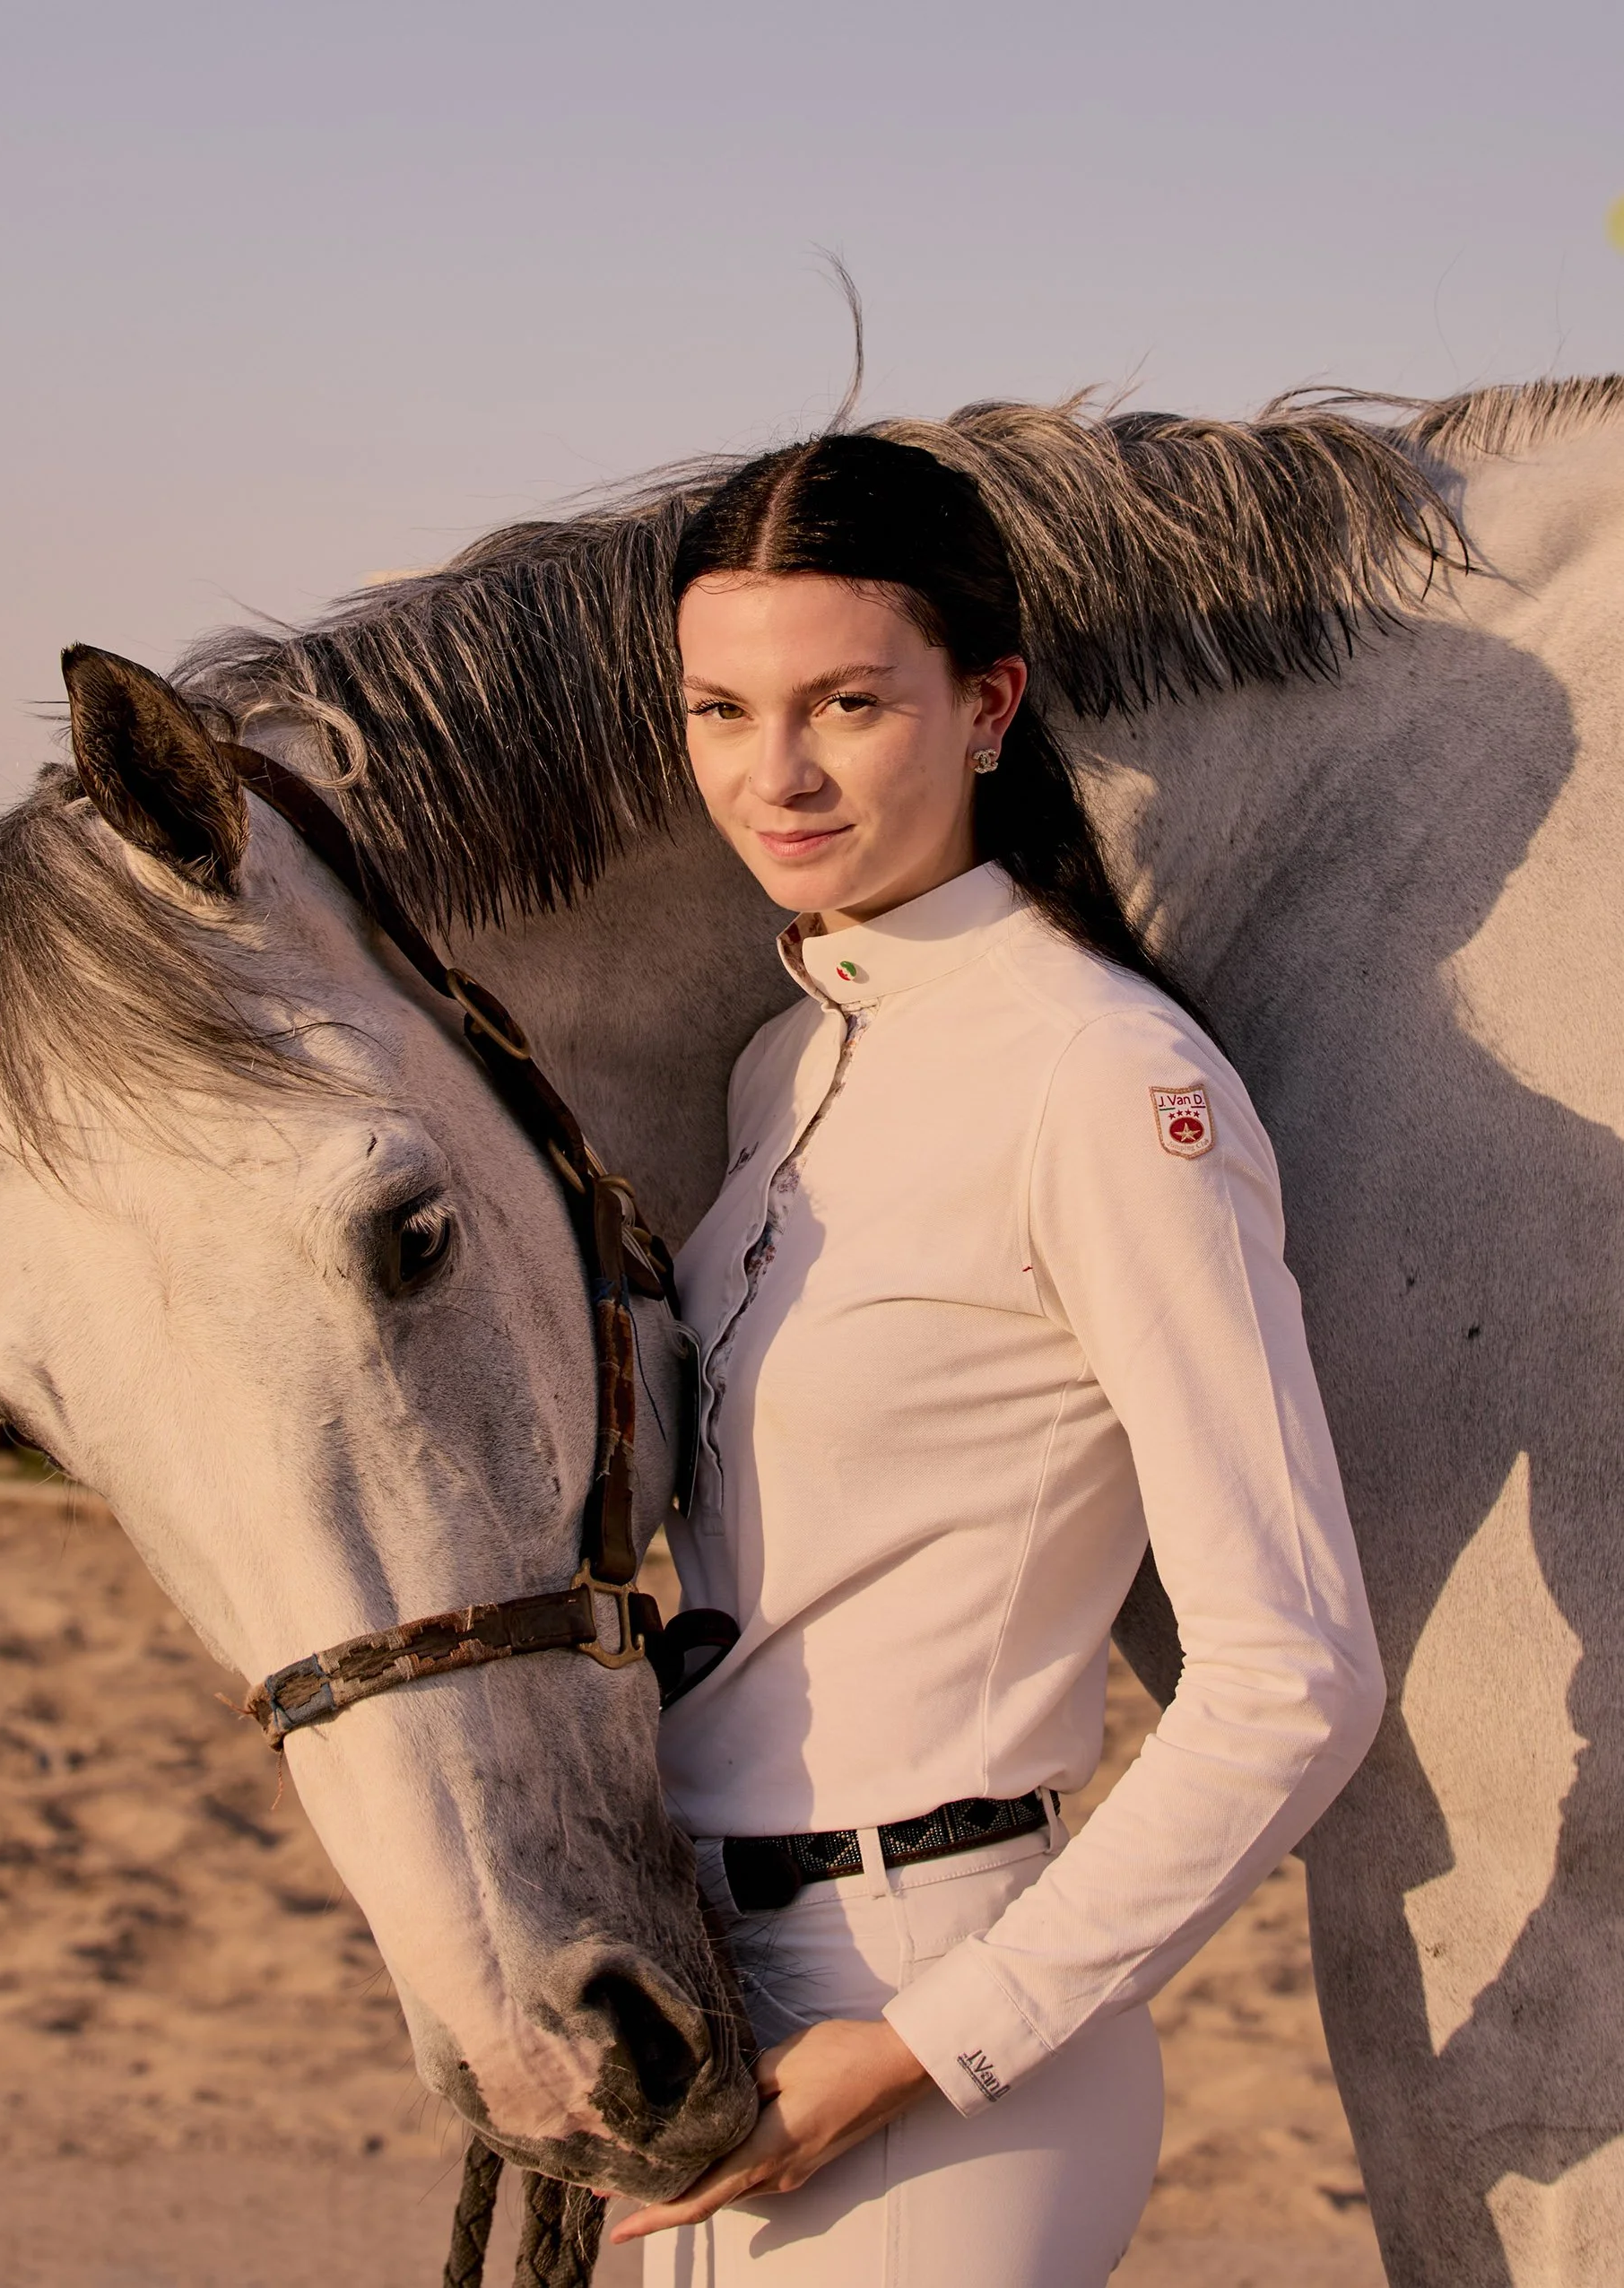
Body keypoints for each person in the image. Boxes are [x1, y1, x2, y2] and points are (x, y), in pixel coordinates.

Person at [608, 433, 1386, 2286]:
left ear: (986, 705)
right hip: (717, 1999)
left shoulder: (1108, 1082)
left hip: (929, 2028)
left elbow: (1295, 1675)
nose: (770, 773)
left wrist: (922, 2048)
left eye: (847, 704)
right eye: (723, 709)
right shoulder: (789, 1059)